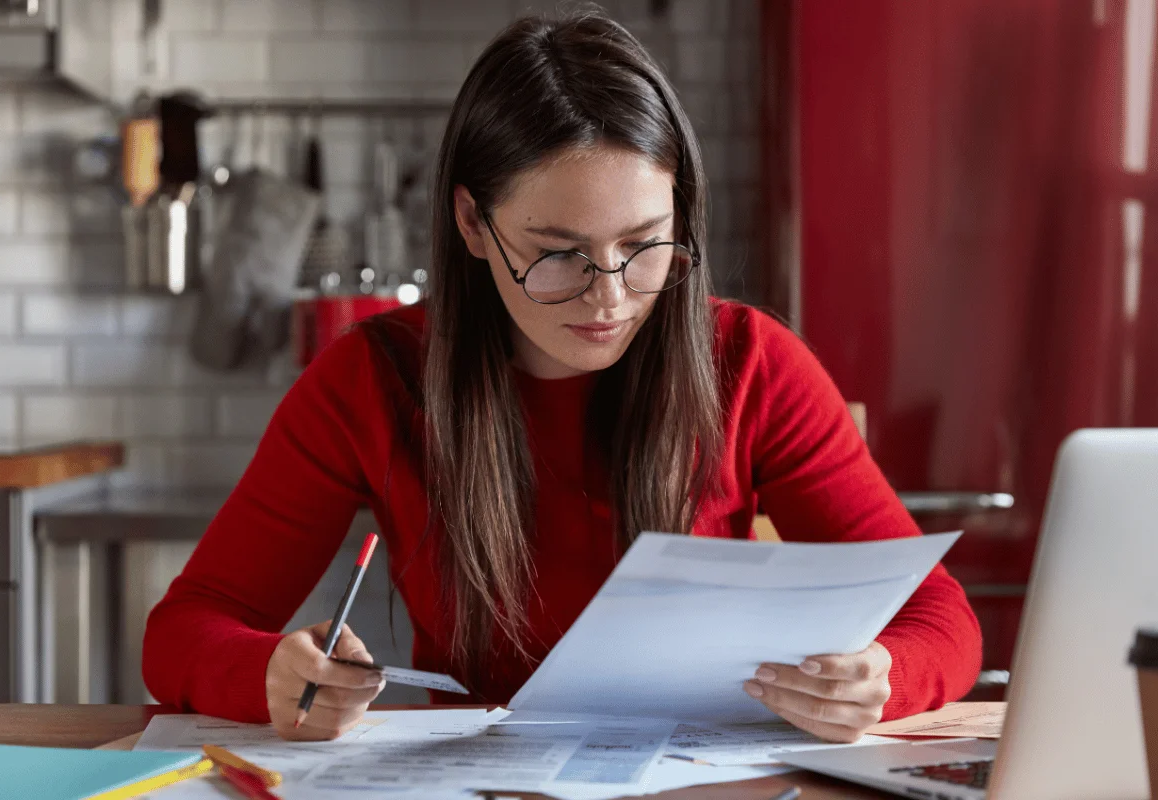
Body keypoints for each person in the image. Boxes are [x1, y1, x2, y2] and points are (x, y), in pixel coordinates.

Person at [143, 11, 982, 744]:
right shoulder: (371, 380)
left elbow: (942, 619)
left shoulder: (751, 362)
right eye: (558, 255)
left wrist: (881, 674)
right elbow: (182, 632)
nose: (611, 296)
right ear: (473, 221)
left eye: (645, 243)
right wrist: (268, 674)